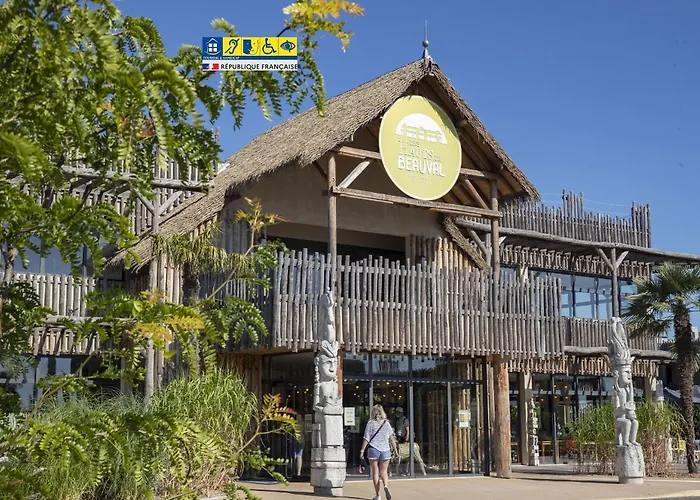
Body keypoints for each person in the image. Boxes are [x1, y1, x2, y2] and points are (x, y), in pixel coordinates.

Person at [360, 404, 398, 500]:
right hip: (385, 450)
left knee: (375, 472)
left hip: (373, 449)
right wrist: (395, 450)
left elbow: (366, 438)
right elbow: (392, 438)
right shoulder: (386, 423)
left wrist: (362, 450)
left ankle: (378, 495)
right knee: (384, 472)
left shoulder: (370, 423)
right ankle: (386, 486)